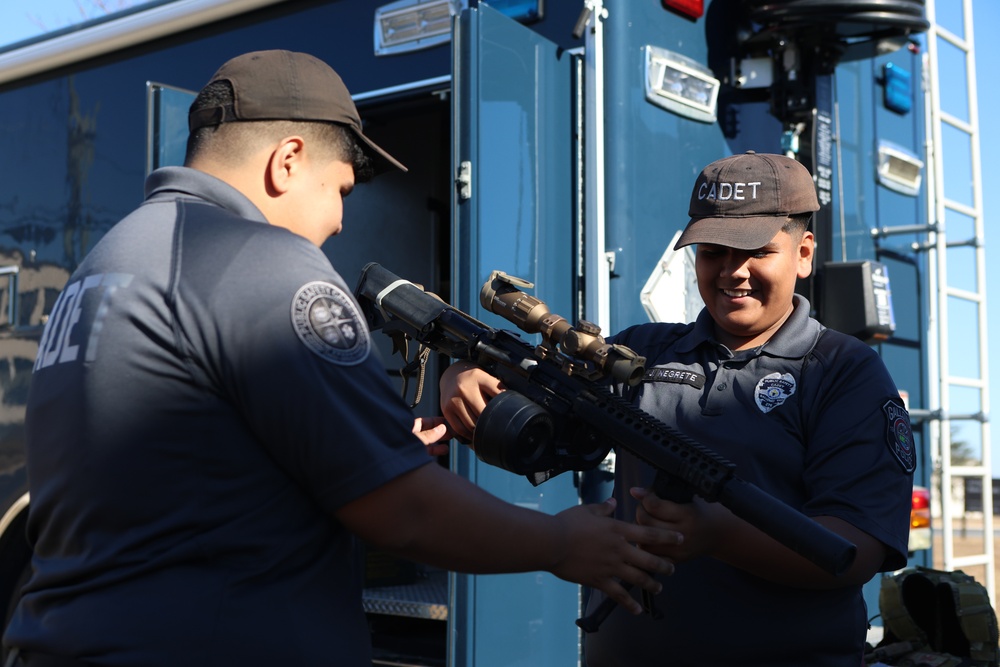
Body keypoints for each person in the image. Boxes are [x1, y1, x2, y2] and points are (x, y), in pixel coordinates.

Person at [2, 50, 681, 667]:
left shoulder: (110, 261)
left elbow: (184, 466)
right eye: (341, 190)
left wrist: (359, 447)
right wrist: (560, 543)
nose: (339, 221)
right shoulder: (263, 260)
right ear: (287, 160)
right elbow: (401, 510)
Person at [440, 151, 915, 666]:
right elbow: (537, 428)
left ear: (803, 255)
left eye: (757, 250)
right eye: (713, 251)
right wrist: (470, 377)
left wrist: (718, 535)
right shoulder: (638, 352)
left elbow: (854, 552)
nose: (734, 271)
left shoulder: (844, 371)